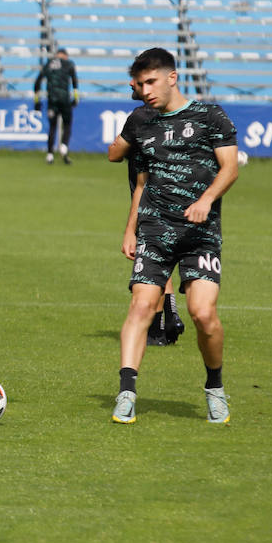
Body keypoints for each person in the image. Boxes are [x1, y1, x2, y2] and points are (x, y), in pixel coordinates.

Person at [113, 47, 238, 426]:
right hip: (154, 228)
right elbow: (138, 179)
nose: (146, 89)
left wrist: (206, 200)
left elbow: (229, 168)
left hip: (200, 233)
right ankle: (126, 393)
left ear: (172, 77)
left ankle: (214, 387)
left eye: (152, 81)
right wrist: (131, 228)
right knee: (141, 307)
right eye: (140, 84)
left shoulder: (210, 116)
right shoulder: (142, 121)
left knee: (204, 314)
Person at [107, 79, 184, 347]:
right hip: (180, 198)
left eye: (139, 81)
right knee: (163, 258)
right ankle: (171, 313)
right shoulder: (179, 115)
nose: (132, 83)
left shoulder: (140, 117)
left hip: (149, 201)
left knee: (150, 264)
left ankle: (156, 326)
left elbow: (114, 155)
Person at [33, 47, 78, 164]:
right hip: (65, 99)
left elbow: (37, 83)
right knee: (67, 124)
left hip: (52, 100)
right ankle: (64, 146)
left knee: (52, 126)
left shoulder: (48, 64)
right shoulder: (69, 64)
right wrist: (76, 98)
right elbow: (74, 81)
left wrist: (37, 101)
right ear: (65, 56)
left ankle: (49, 155)